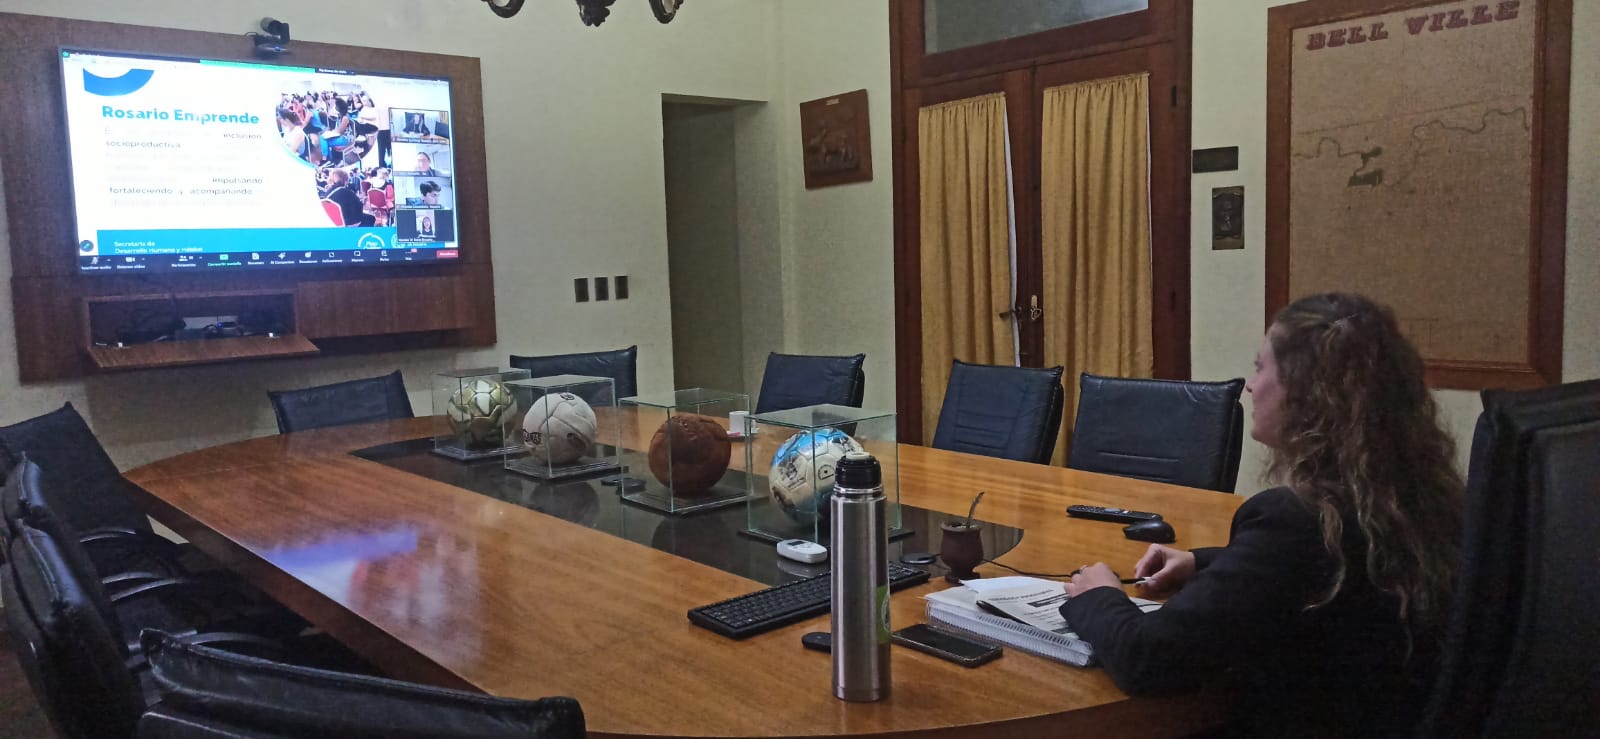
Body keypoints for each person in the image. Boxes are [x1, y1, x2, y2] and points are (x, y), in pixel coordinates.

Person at [1062, 292, 1463, 738]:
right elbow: (1327, 566)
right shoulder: (1417, 499)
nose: (1251, 385)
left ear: (1309, 391)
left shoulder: (1297, 520)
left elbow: (1149, 660)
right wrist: (1203, 562)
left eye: (1260, 368)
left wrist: (1099, 595)